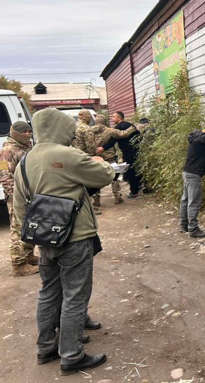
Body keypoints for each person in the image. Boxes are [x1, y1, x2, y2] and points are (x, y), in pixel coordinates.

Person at [13, 108, 115, 375]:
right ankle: (71, 354)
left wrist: (39, 235)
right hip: (75, 237)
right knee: (75, 296)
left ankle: (46, 347)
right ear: (62, 129)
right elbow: (106, 175)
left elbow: (20, 209)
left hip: (45, 238)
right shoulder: (68, 154)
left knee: (48, 292)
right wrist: (97, 160)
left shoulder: (25, 160)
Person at [0, 121, 38, 276]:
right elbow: (4, 175)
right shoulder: (7, 151)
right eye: (24, 131)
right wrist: (15, 196)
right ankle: (18, 264)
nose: (28, 134)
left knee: (30, 226)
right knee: (18, 229)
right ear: (16, 132)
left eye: (29, 131)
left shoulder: (26, 147)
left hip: (29, 194)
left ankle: (28, 254)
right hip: (17, 196)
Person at [90, 114, 137, 205]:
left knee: (95, 177)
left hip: (96, 157)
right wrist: (132, 128)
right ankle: (117, 197)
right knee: (114, 176)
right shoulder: (109, 130)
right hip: (109, 156)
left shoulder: (89, 131)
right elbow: (123, 134)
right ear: (105, 122)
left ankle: (96, 199)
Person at [99, 111, 141, 198]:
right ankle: (139, 185)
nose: (112, 118)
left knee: (130, 171)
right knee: (136, 168)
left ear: (119, 118)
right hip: (136, 150)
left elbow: (112, 140)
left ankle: (134, 191)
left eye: (114, 117)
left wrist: (103, 148)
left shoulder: (118, 128)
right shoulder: (130, 125)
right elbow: (138, 135)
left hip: (127, 152)